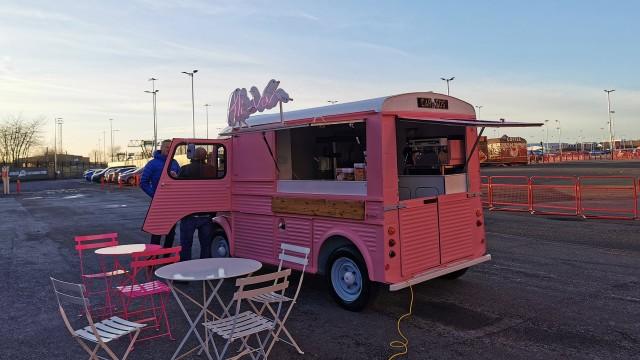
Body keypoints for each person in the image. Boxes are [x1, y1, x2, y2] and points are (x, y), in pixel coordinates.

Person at [177, 147, 215, 261]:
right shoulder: (212, 170)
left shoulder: (185, 169)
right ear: (205, 157)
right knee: (206, 245)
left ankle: (185, 269)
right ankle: (204, 269)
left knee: (186, 246)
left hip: (189, 214)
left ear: (193, 156)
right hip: (207, 214)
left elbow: (179, 189)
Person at [140, 140, 180, 247]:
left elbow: (181, 180)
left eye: (170, 147)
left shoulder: (175, 163)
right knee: (156, 232)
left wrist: (177, 178)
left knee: (171, 232)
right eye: (166, 147)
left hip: (172, 204)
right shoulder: (152, 163)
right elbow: (143, 182)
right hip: (159, 204)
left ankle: (167, 257)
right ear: (161, 148)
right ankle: (153, 258)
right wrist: (155, 195)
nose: (168, 149)